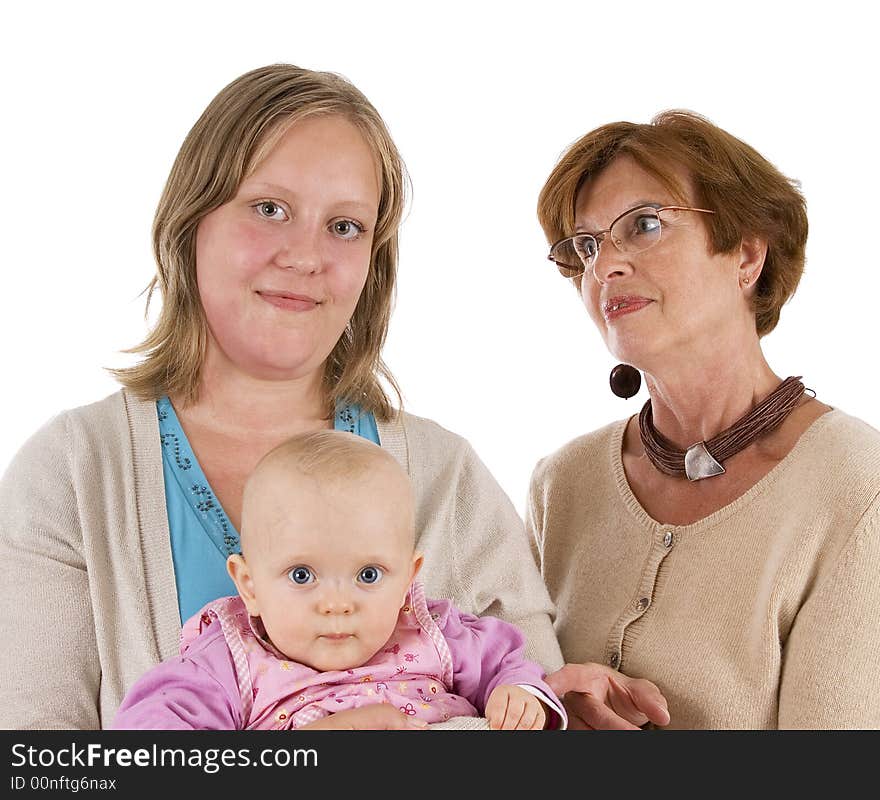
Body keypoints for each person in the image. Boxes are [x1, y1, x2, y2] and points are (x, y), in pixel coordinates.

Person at [0, 63, 584, 730]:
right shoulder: (71, 475)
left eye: (345, 226)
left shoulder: (447, 477)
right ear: (192, 222)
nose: (305, 256)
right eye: (270, 210)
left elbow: (534, 718)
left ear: (374, 263)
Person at [532, 110, 880, 729]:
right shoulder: (563, 484)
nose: (603, 265)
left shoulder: (856, 488)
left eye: (643, 225)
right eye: (586, 245)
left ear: (747, 254)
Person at [112, 430, 566, 730]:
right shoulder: (231, 660)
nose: (336, 604)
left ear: (408, 578)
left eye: (368, 575)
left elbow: (508, 661)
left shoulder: (433, 634)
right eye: (302, 575)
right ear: (249, 585)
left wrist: (520, 693)